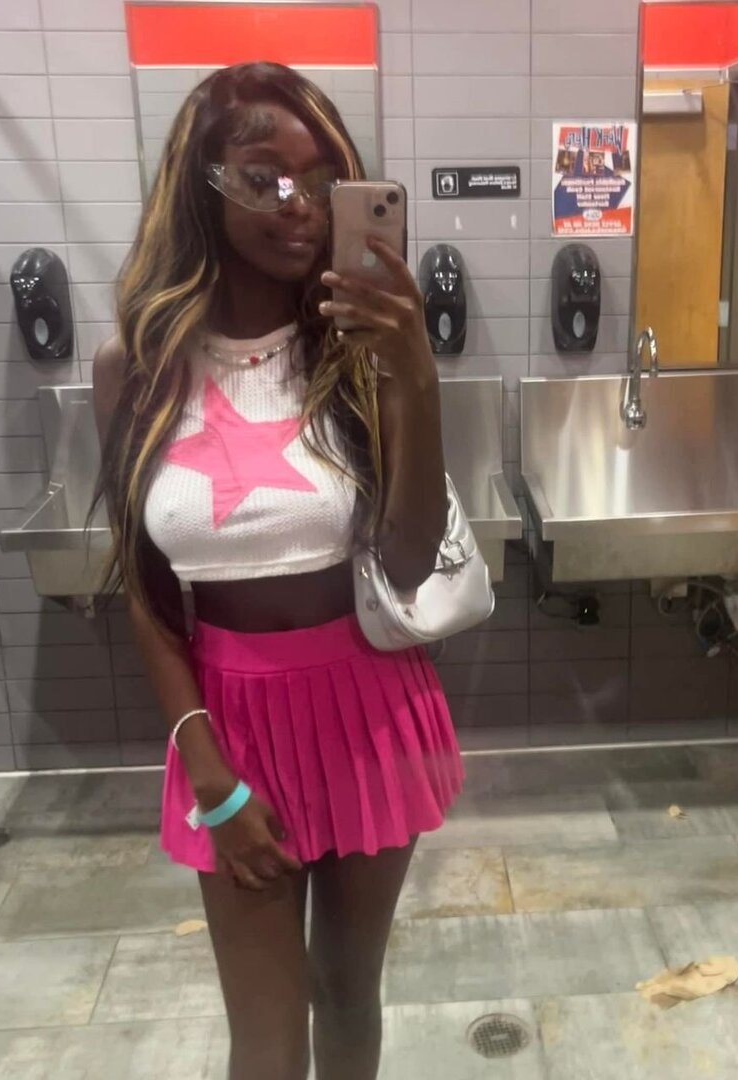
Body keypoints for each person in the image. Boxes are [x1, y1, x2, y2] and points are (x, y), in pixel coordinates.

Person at [91, 61, 464, 1080]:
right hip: (228, 724)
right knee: (263, 1038)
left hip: (371, 711)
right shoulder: (137, 367)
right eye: (265, 177)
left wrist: (414, 375)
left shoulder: (358, 353)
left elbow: (409, 557)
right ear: (201, 184)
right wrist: (207, 771)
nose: (300, 206)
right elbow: (145, 590)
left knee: (347, 996)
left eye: (323, 180)